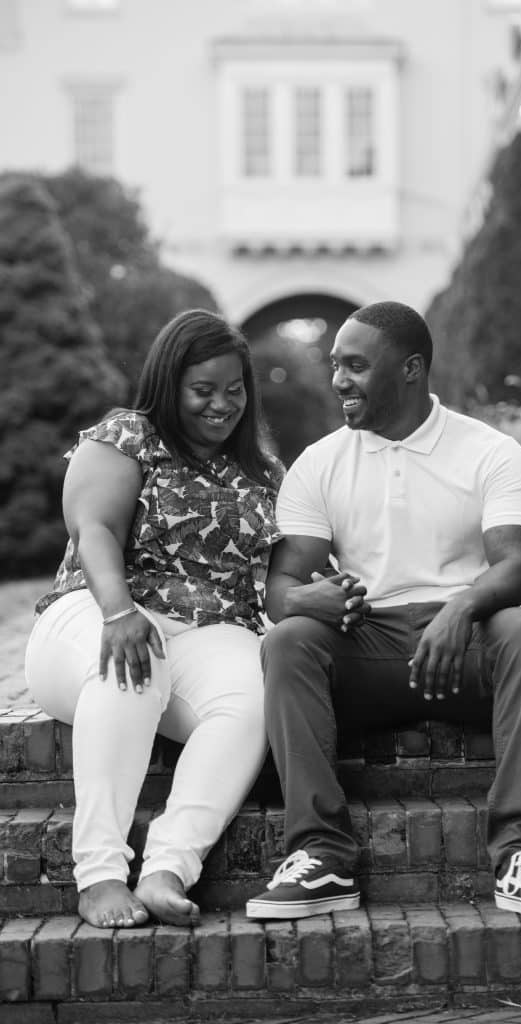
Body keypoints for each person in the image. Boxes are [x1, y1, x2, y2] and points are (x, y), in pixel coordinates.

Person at [245, 300, 521, 922]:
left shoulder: (491, 452)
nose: (338, 380)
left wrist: (464, 606)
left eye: (355, 366)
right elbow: (281, 588)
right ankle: (320, 855)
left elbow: (517, 567)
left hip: (464, 646)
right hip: (366, 643)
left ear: (411, 369)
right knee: (287, 641)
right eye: (335, 366)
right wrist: (304, 600)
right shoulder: (319, 464)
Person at [25, 309, 283, 929]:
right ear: (170, 384)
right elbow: (95, 532)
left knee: (254, 699)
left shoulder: (262, 472)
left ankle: (169, 867)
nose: (221, 405)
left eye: (234, 389)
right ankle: (100, 874)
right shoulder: (126, 436)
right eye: (203, 391)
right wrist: (119, 611)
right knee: (135, 663)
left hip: (212, 629)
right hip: (93, 610)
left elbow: (280, 577)